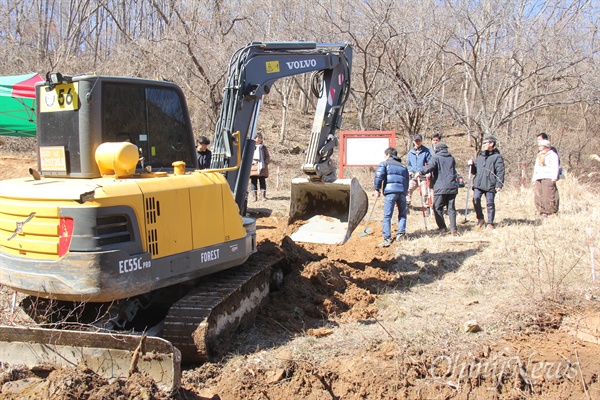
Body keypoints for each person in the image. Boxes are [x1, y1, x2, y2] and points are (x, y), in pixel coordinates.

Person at [420, 142, 459, 234]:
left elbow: (429, 167)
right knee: (451, 208)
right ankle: (453, 228)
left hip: (440, 186)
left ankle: (442, 227)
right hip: (452, 186)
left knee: (437, 207)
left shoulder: (436, 157)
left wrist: (421, 172)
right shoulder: (451, 158)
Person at [374, 147, 409, 247]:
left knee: (387, 216)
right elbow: (407, 180)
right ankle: (400, 234)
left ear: (388, 155)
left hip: (390, 192)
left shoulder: (385, 163)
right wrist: (405, 191)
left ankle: (387, 238)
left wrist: (377, 189)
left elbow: (379, 176)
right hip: (402, 192)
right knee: (402, 214)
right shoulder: (403, 166)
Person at [468, 136, 505, 229]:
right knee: (475, 199)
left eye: (485, 143)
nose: (483, 145)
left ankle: (490, 223)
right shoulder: (480, 156)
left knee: (490, 203)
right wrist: (471, 165)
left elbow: (500, 171)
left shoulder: (497, 157)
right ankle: (480, 218)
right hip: (478, 183)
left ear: (491, 144)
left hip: (490, 183)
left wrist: (499, 184)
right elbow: (474, 171)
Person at [532, 139, 560, 217]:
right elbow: (536, 168)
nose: (539, 148)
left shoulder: (553, 155)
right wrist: (534, 179)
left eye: (541, 146)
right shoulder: (539, 156)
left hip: (548, 176)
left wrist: (554, 177)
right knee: (539, 194)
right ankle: (542, 211)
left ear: (546, 147)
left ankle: (551, 211)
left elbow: (555, 166)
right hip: (539, 177)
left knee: (549, 194)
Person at [406, 134, 432, 208]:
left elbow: (429, 163)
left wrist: (425, 171)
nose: (417, 142)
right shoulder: (410, 152)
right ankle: (407, 204)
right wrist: (410, 171)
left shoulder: (426, 151)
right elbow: (409, 164)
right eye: (416, 141)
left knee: (425, 193)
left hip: (423, 176)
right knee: (408, 189)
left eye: (419, 140)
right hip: (413, 176)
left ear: (421, 141)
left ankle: (427, 206)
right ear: (413, 141)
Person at [250, 133, 270, 201]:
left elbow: (267, 156)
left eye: (260, 138)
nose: (259, 139)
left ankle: (263, 197)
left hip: (262, 166)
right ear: (255, 138)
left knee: (262, 181)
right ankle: (254, 197)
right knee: (253, 181)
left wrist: (266, 162)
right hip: (253, 166)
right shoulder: (251, 147)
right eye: (258, 137)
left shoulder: (263, 147)